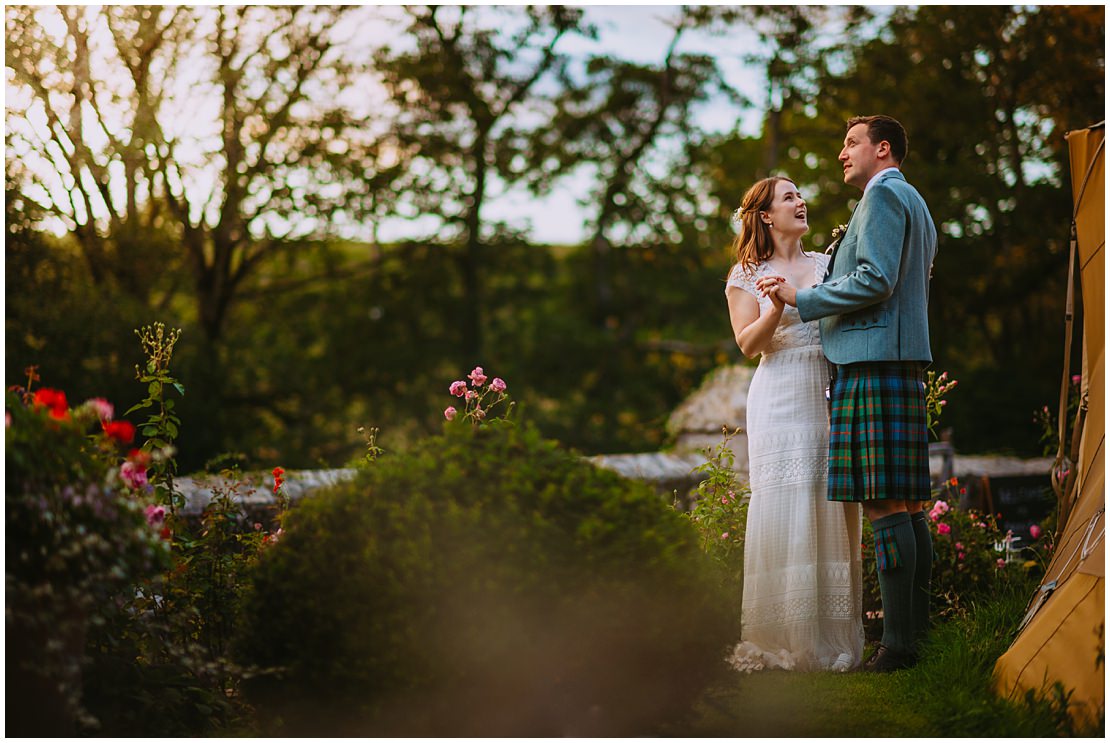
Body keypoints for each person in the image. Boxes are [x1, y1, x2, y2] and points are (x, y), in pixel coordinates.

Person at [758, 115, 938, 673]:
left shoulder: (883, 198)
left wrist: (802, 296)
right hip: (896, 360)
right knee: (907, 505)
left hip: (873, 360)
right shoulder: (914, 200)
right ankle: (915, 635)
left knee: (885, 504)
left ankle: (898, 646)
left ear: (882, 149)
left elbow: (876, 279)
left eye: (851, 143)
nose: (842, 153)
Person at [723, 176, 865, 674]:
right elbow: (747, 345)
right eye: (789, 197)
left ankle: (829, 634)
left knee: (828, 499)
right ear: (766, 215)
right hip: (779, 393)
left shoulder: (827, 267)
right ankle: (780, 634)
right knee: (786, 500)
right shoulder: (744, 275)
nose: (800, 202)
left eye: (800, 195)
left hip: (827, 393)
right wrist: (780, 303)